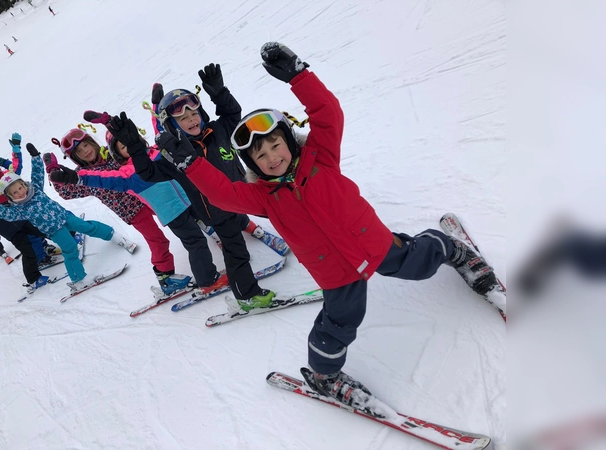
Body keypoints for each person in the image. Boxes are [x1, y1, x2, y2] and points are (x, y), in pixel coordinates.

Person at [157, 42, 500, 415]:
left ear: (288, 139)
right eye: (261, 155)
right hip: (334, 273)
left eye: (275, 145)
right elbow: (222, 194)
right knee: (339, 322)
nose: (272, 158)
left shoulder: (321, 156)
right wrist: (191, 163)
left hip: (374, 245)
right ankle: (324, 375)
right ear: (251, 163)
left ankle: (453, 249)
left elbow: (327, 114)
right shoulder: (263, 197)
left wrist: (299, 76)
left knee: (417, 262)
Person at [119, 63, 274, 304]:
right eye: (182, 118)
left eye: (194, 114)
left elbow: (232, 115)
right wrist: (137, 148)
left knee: (278, 208)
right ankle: (247, 296)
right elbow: (148, 173)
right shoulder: (176, 155)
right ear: (172, 125)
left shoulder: (218, 130)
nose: (191, 119)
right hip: (217, 211)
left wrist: (219, 93)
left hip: (244, 194)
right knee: (237, 252)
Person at [49, 115, 215, 295]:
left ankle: (214, 230)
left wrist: (108, 122)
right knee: (157, 240)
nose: (86, 151)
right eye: (79, 152)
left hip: (151, 194)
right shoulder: (83, 174)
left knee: (187, 210)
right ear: (75, 158)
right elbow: (67, 192)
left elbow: (127, 143)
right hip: (133, 210)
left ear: (92, 143)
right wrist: (54, 174)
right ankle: (166, 277)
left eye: (85, 145)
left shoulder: (112, 154)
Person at [0, 143, 138, 292]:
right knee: (70, 249)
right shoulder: (19, 209)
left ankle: (113, 235)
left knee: (87, 227)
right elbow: (6, 214)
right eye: (15, 192)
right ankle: (79, 279)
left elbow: (37, 173)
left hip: (64, 217)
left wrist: (35, 156)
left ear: (24, 184)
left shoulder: (35, 190)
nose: (20, 192)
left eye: (20, 187)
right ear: (10, 196)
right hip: (54, 231)